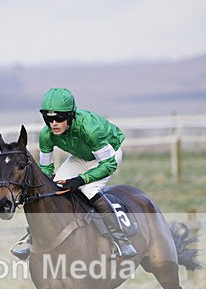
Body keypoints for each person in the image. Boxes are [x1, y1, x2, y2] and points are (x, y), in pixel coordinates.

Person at [21, 87, 137, 260]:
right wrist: (46, 182)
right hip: (82, 156)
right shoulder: (46, 134)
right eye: (48, 118)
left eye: (59, 118)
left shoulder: (90, 129)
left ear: (70, 116)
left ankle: (122, 242)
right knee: (54, 187)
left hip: (108, 155)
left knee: (88, 189)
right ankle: (34, 239)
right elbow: (45, 169)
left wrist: (81, 179)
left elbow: (109, 164)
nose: (53, 123)